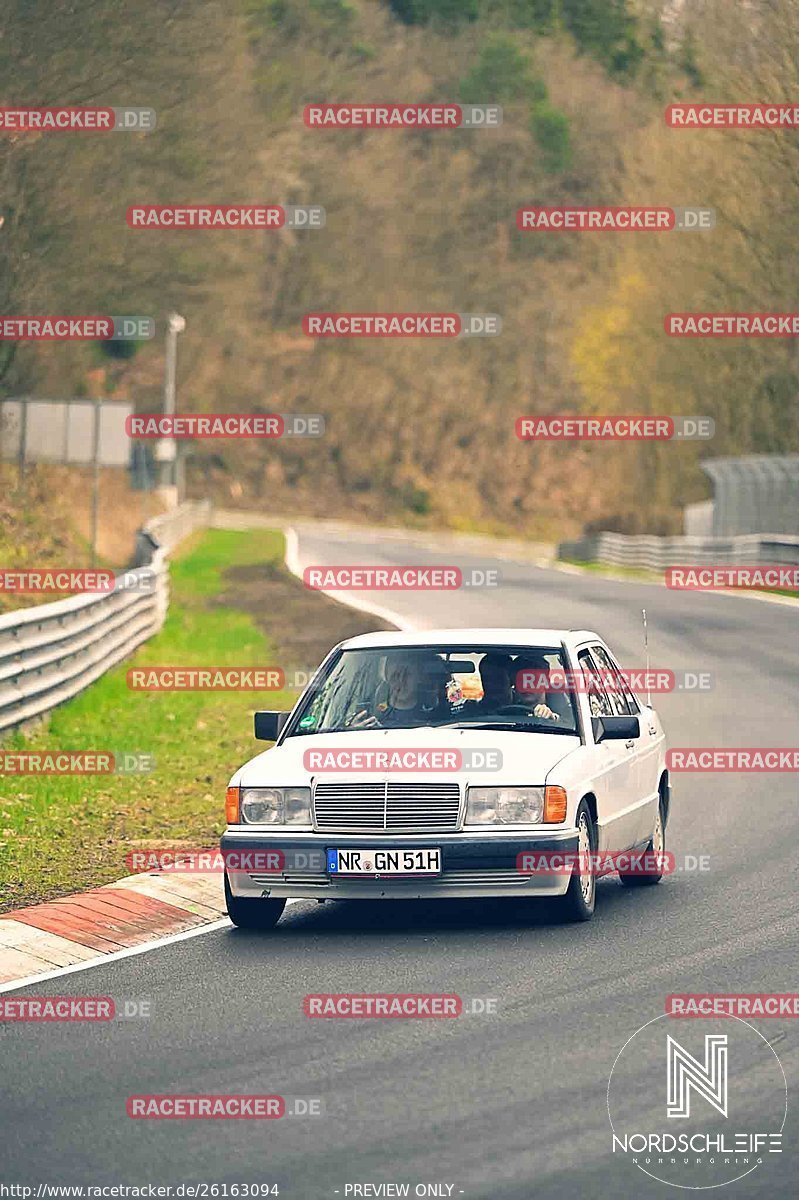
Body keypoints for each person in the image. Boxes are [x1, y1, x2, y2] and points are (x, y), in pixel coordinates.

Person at [347, 653, 451, 728]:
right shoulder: (369, 715)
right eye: (395, 675)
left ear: (419, 677)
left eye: (407, 675)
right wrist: (353, 732)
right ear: (387, 677)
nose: (401, 681)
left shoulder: (436, 717)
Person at [511, 654, 562, 721]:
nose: (526, 686)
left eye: (533, 680)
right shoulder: (506, 713)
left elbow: (568, 723)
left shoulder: (569, 711)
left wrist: (552, 718)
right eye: (521, 680)